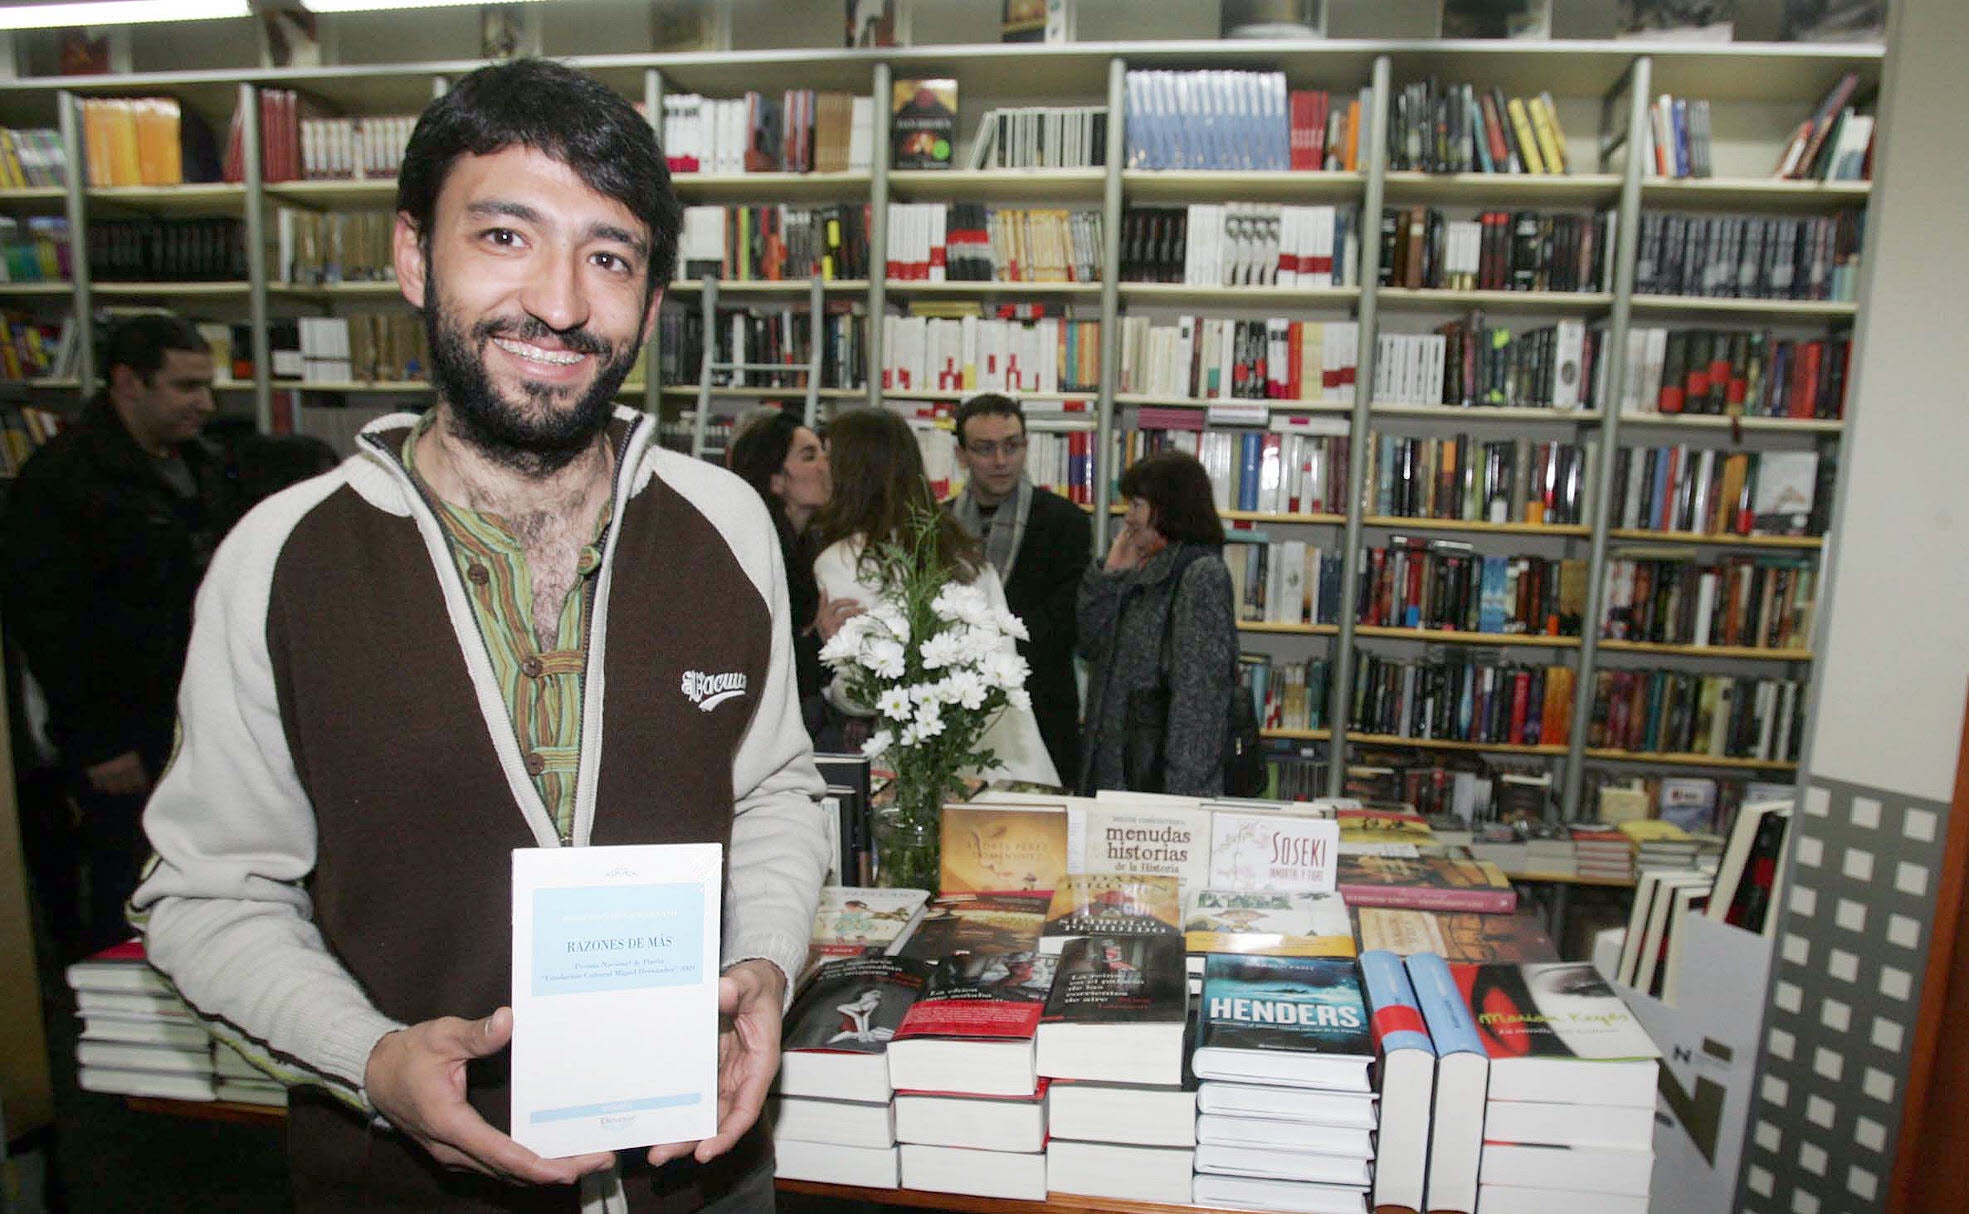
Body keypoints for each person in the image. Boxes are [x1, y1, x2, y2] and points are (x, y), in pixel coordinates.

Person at [130, 59, 828, 1212]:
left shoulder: (727, 526)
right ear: (415, 255)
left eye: (609, 257)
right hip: (405, 1187)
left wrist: (760, 959)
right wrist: (367, 1058)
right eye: (506, 236)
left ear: (653, 303)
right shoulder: (284, 559)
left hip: (698, 1177)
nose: (559, 302)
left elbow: (772, 792)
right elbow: (209, 893)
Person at [0, 313, 234, 958]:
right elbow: (48, 624)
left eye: (207, 387)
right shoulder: (62, 481)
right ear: (129, 383)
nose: (205, 404)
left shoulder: (204, 465)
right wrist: (98, 743)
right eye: (185, 387)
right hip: (123, 735)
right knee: (126, 886)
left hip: (198, 718)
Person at [809, 407, 1059, 787]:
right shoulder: (963, 553)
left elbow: (863, 694)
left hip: (914, 769)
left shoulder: (844, 561)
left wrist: (828, 652)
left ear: (852, 471)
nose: (820, 467)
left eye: (827, 456)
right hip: (1007, 756)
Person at [945, 392, 1091, 782]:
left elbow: (1066, 620)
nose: (1000, 460)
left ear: (1026, 447)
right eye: (984, 448)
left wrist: (989, 646)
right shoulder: (940, 525)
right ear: (961, 455)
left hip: (1041, 709)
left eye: (1011, 446)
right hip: (955, 711)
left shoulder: (1066, 522)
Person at [1076, 450, 1237, 797]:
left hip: (1158, 789)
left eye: (1137, 505)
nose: (1128, 518)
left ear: (1168, 508)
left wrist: (1183, 802)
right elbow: (1090, 644)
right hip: (1117, 777)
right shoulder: (1142, 568)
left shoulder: (1200, 575)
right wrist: (1110, 575)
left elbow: (1200, 703)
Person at [727, 406, 859, 742]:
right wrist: (819, 640)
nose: (825, 465)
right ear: (775, 479)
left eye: (823, 453)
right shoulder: (757, 551)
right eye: (809, 456)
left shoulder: (809, 542)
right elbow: (759, 662)